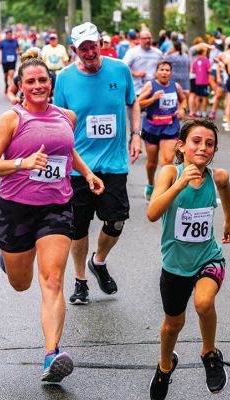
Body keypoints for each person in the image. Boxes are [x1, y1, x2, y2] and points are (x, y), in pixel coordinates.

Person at [0, 52, 104, 382]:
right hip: (15, 209)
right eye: (30, 81)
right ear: (20, 86)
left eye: (43, 80)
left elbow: (67, 150)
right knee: (21, 283)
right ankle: (10, 258)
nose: (37, 86)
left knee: (52, 281)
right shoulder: (11, 119)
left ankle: (52, 353)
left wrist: (87, 173)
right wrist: (22, 163)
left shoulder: (67, 116)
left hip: (57, 207)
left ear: (52, 84)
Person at [147, 118, 230, 400]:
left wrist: (228, 221)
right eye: (196, 141)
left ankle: (209, 353)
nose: (203, 147)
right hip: (175, 265)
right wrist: (179, 184)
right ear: (181, 146)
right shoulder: (169, 173)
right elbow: (152, 213)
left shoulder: (217, 176)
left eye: (209, 144)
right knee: (172, 325)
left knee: (203, 302)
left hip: (208, 258)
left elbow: (225, 188)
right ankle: (165, 366)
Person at [54, 22, 142, 305]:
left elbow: (133, 102)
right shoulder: (65, 78)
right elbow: (59, 119)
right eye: (83, 48)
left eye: (93, 46)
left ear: (101, 43)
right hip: (80, 166)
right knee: (78, 227)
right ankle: (81, 281)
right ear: (73, 50)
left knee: (116, 220)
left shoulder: (120, 69)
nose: (90, 52)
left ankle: (99, 262)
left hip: (114, 162)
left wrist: (137, 135)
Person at [138, 60, 187, 201]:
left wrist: (182, 109)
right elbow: (139, 104)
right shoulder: (150, 85)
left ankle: (164, 191)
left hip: (170, 127)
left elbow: (183, 99)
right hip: (152, 127)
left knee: (167, 161)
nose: (164, 73)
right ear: (156, 72)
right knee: (152, 163)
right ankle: (150, 184)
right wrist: (153, 98)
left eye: (167, 70)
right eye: (162, 70)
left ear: (171, 73)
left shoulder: (175, 86)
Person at [123, 30, 162, 96]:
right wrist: (136, 73)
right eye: (145, 38)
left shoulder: (158, 53)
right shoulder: (132, 52)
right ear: (139, 39)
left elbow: (163, 67)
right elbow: (123, 67)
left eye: (149, 38)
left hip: (154, 90)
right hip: (137, 90)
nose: (148, 40)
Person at [0, 29, 19, 94]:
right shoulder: (2, 42)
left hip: (13, 61)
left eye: (10, 34)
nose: (9, 36)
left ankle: (10, 89)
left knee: (11, 75)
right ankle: (6, 85)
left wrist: (17, 52)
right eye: (8, 34)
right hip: (5, 61)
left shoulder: (15, 41)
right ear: (6, 35)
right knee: (6, 76)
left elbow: (17, 49)